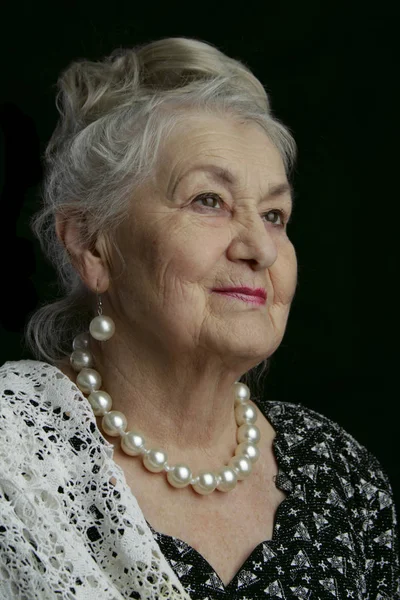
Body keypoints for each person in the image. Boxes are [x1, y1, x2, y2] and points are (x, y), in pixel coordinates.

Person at [0, 37, 398, 600]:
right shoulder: (11, 457)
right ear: (92, 245)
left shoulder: (340, 473)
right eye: (208, 201)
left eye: (275, 214)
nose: (260, 247)